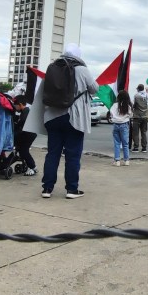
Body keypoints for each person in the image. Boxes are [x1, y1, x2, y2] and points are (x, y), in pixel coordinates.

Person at [41, 43, 99, 199]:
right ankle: (72, 189)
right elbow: (94, 89)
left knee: (52, 154)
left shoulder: (52, 68)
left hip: (52, 117)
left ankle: (47, 188)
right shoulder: (82, 69)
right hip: (74, 118)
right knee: (72, 155)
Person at [12, 95, 38, 176]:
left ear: (20, 104)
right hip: (28, 134)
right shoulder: (24, 112)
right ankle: (26, 165)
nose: (15, 107)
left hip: (29, 134)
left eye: (15, 105)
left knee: (24, 151)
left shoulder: (26, 111)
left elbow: (22, 121)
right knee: (21, 150)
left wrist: (15, 125)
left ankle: (33, 168)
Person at [110, 90, 132, 166]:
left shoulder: (114, 105)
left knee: (117, 143)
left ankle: (117, 161)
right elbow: (130, 115)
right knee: (125, 144)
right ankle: (126, 161)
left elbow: (111, 114)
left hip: (116, 125)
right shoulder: (128, 106)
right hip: (124, 125)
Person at [130, 83, 148, 152]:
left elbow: (134, 105)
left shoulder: (136, 95)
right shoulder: (146, 95)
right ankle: (144, 148)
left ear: (138, 89)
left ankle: (136, 147)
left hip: (137, 116)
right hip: (145, 116)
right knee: (144, 132)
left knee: (136, 133)